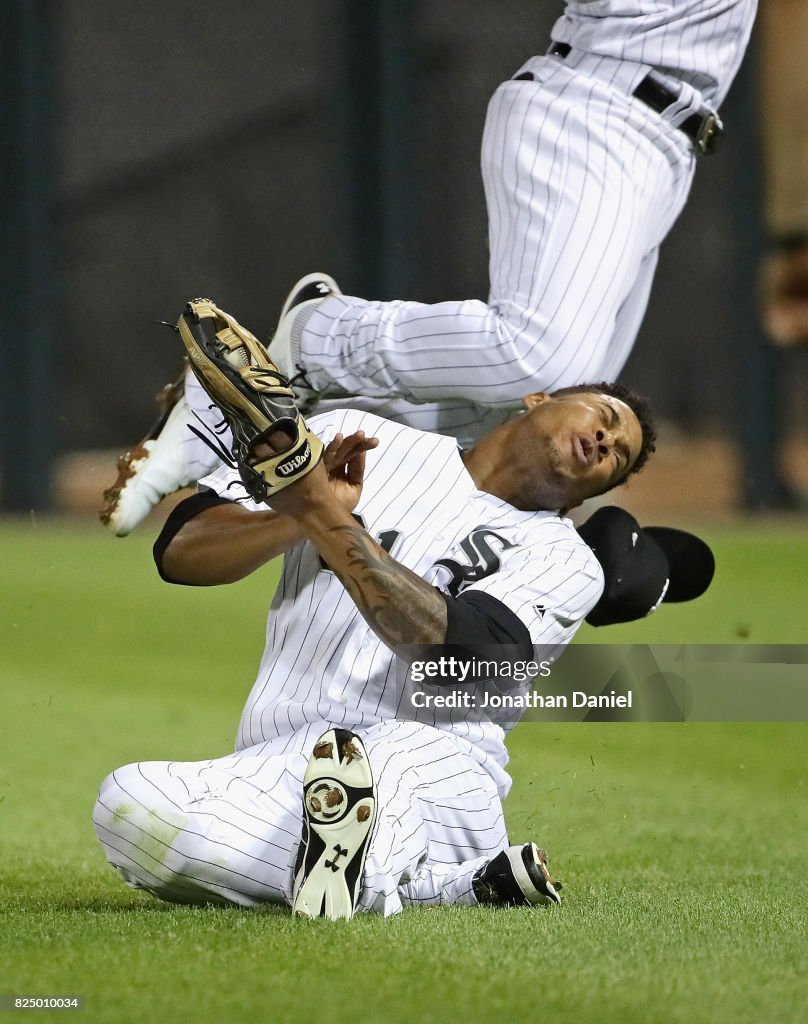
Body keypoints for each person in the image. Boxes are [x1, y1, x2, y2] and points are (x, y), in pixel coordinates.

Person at [100, 0, 757, 537]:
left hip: (665, 149)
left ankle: (247, 416)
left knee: (518, 429)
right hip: (600, 112)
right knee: (541, 358)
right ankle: (320, 339)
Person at [93, 380, 661, 918]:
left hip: (437, 770)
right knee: (130, 804)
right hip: (281, 762)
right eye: (605, 418)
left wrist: (325, 514)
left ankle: (383, 866)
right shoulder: (358, 434)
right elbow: (181, 552)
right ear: (541, 398)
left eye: (619, 456)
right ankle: (436, 885)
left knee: (383, 767)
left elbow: (460, 654)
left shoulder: (565, 563)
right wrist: (301, 518)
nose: (607, 440)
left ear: (601, 489)